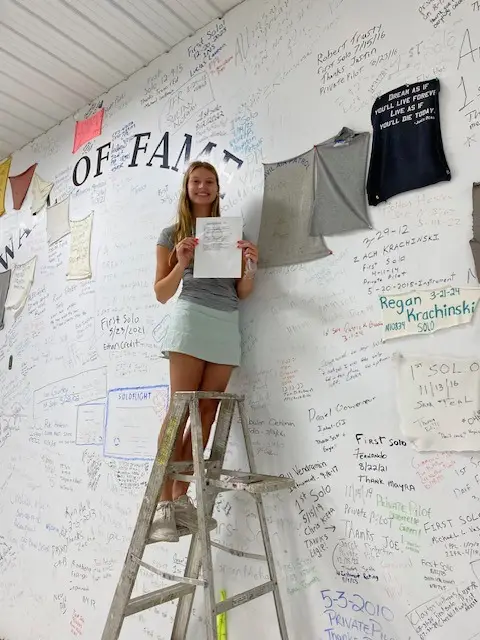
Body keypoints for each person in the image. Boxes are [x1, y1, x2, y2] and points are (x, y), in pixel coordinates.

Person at [151, 160, 258, 542]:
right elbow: (161, 293)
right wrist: (180, 262)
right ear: (187, 186)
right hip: (191, 317)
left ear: (217, 189)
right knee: (179, 411)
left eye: (210, 182)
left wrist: (249, 266)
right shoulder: (171, 234)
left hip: (225, 321)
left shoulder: (228, 233)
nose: (203, 187)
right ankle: (162, 505)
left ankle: (181, 498)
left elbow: (242, 292)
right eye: (196, 181)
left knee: (208, 412)